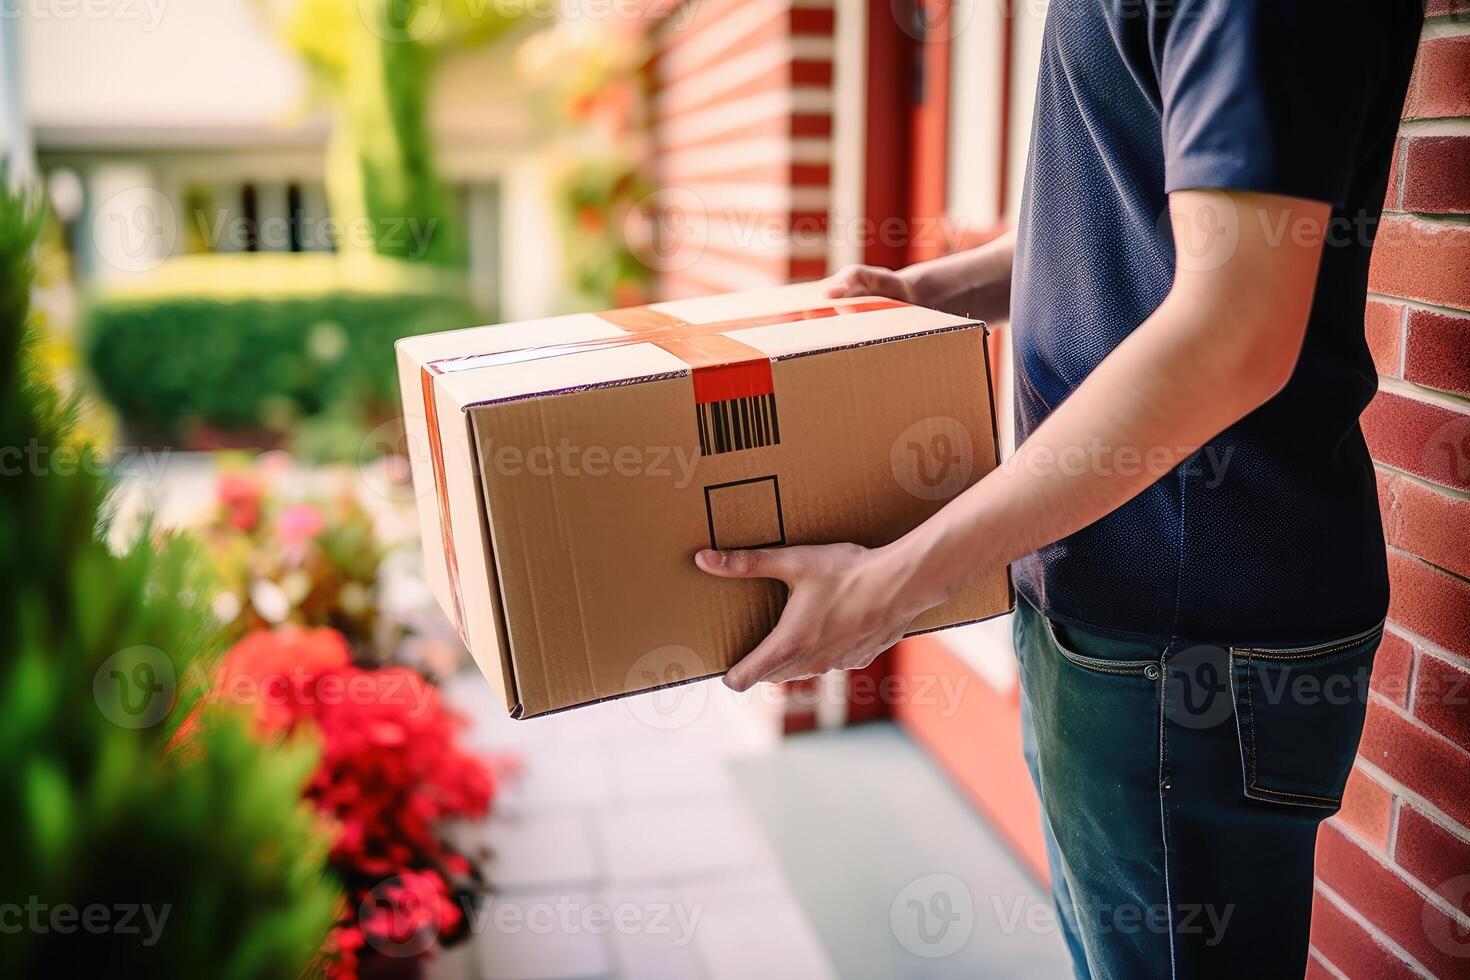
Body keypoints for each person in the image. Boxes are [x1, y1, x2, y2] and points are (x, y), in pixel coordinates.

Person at [693, 2, 1426, 977]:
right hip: (1110, 604)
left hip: (1183, 635)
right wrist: (928, 291)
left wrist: (896, 580)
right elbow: (1130, 213)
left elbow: (1234, 332)